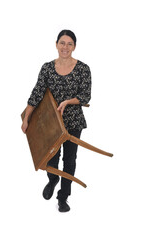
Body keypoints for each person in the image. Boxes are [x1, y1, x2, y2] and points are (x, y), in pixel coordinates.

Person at [21, 29, 92, 212]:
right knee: (51, 156)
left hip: (73, 121)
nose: (65, 47)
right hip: (51, 122)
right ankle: (53, 179)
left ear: (74, 47)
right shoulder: (47, 68)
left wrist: (68, 102)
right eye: (62, 43)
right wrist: (26, 119)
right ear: (56, 44)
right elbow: (36, 94)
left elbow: (85, 96)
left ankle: (63, 197)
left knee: (70, 160)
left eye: (69, 44)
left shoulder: (83, 69)